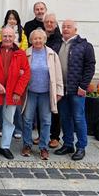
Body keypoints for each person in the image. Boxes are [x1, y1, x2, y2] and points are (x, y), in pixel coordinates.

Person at [0, 26, 31, 162]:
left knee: (9, 121)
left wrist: (17, 92)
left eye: (10, 36)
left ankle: (5, 147)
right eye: (5, 36)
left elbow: (25, 74)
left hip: (13, 94)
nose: (7, 38)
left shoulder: (20, 53)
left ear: (14, 37)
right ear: (1, 37)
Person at [54, 19, 96, 161]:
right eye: (63, 27)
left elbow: (90, 67)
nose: (65, 29)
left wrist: (83, 86)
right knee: (65, 117)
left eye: (69, 27)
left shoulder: (85, 46)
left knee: (78, 117)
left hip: (77, 89)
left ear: (75, 30)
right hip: (62, 88)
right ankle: (67, 144)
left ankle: (81, 147)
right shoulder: (57, 44)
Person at [22, 29, 64, 160]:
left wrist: (59, 91)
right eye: (35, 39)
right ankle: (27, 144)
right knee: (27, 120)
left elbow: (58, 74)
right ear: (31, 40)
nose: (38, 41)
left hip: (46, 93)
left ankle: (43, 147)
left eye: (40, 38)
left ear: (44, 40)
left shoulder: (52, 54)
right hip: (30, 92)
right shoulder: (26, 54)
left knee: (46, 121)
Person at [0, 10, 28, 139]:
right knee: (2, 103)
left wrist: (16, 50)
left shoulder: (22, 32)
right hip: (4, 70)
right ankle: (2, 127)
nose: (12, 21)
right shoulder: (1, 32)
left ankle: (18, 128)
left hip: (17, 70)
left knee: (16, 103)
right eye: (10, 18)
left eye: (14, 18)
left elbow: (23, 48)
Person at [43, 13, 63, 148]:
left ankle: (55, 137)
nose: (49, 24)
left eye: (52, 22)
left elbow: (50, 53)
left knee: (55, 109)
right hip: (41, 78)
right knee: (42, 109)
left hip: (54, 76)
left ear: (55, 24)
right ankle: (42, 135)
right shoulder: (42, 35)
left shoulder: (58, 39)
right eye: (47, 22)